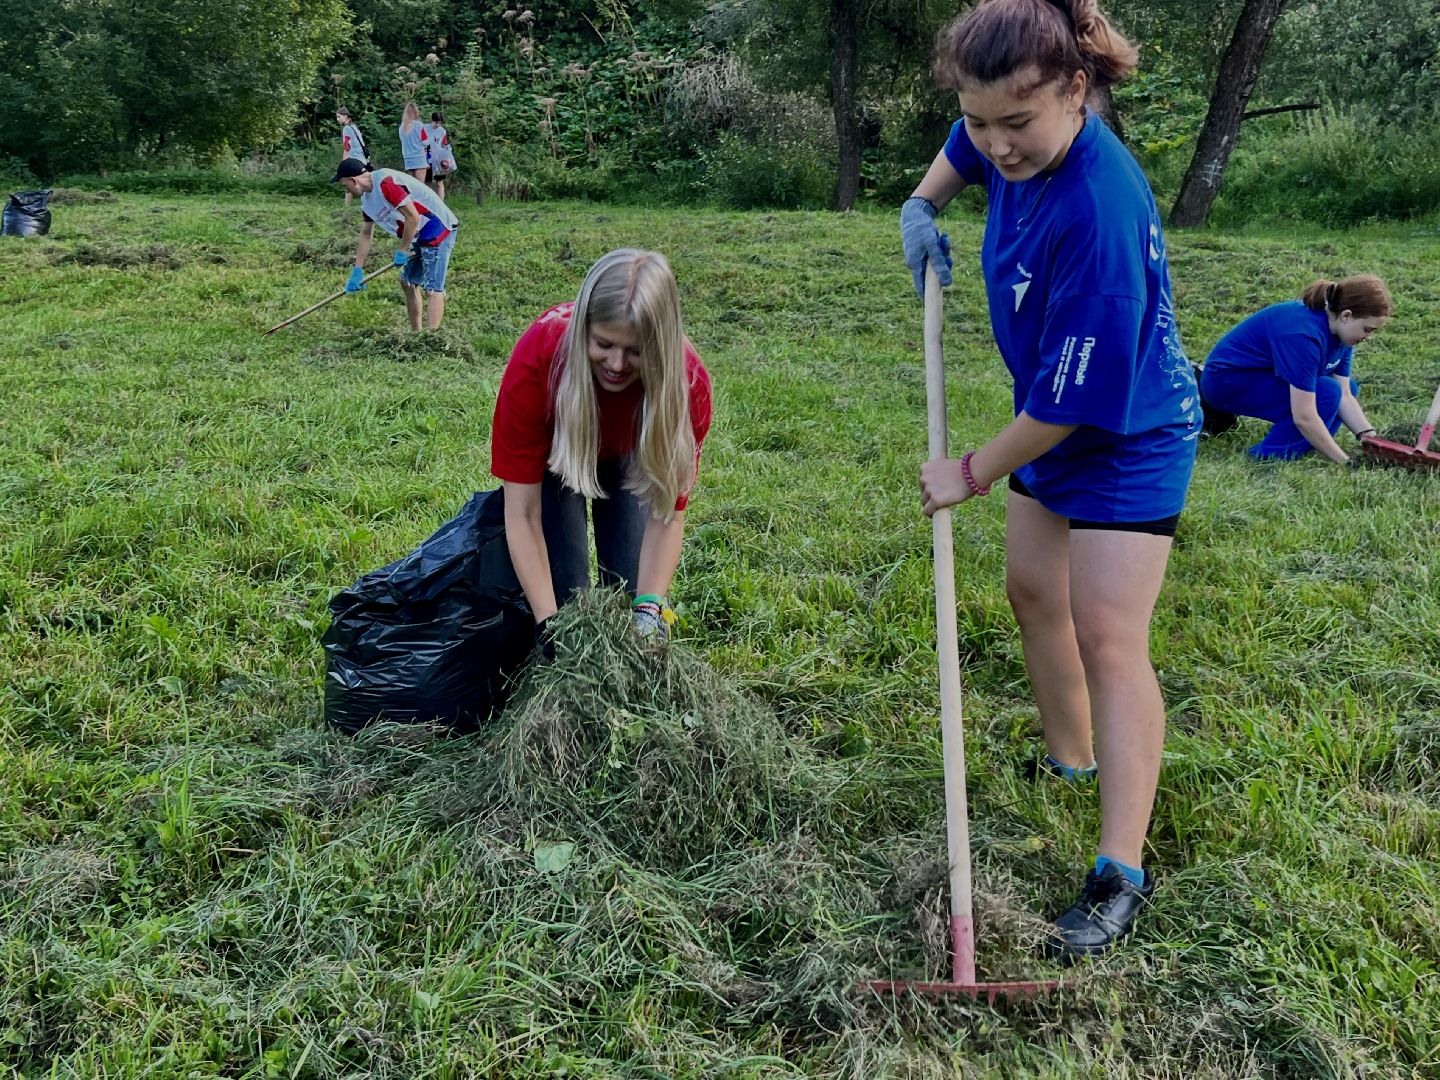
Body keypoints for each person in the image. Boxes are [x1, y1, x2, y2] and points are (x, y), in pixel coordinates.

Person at [902, 0, 1201, 965]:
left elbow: (1070, 412)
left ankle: (1120, 870)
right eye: (980, 120)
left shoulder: (1099, 212)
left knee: (1107, 631)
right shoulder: (1003, 125)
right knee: (1034, 592)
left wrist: (970, 473)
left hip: (1127, 431)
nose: (996, 144)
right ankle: (1070, 761)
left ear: (1078, 91)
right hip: (1053, 411)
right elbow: (961, 143)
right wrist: (924, 201)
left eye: (1014, 125)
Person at [490, 249, 713, 650]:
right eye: (604, 343)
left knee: (630, 595)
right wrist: (548, 623)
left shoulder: (687, 386)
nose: (616, 363)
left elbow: (667, 516)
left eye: (636, 351)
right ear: (583, 330)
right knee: (567, 603)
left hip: (632, 453)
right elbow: (522, 512)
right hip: (560, 455)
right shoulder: (539, 361)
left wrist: (649, 608)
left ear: (661, 346)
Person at [1198, 276, 1390, 463]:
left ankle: (1307, 445)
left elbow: (1346, 395)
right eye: (1368, 329)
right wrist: (1345, 461)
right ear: (1346, 315)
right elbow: (1303, 415)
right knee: (1328, 392)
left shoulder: (1342, 335)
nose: (1368, 337)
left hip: (1261, 376)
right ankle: (1269, 456)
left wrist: (1369, 438)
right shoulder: (1304, 334)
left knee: (1344, 388)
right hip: (1226, 382)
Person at [332, 158, 458, 331]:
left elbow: (412, 217)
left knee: (433, 288)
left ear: (354, 180)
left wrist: (402, 250)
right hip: (419, 235)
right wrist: (357, 270)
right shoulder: (367, 203)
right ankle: (416, 334)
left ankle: (432, 339)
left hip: (438, 227)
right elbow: (366, 234)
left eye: (344, 184)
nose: (346, 190)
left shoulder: (385, 182)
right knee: (407, 282)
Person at [337, 106, 368, 208]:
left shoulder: (346, 129)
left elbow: (347, 147)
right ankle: (364, 205)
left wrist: (344, 164)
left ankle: (347, 208)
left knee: (348, 182)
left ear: (345, 116)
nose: (337, 119)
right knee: (363, 183)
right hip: (362, 159)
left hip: (354, 160)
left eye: (339, 117)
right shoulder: (354, 127)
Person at [398, 103, 431, 184]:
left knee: (411, 185)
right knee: (420, 186)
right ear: (416, 112)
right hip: (419, 157)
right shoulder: (419, 125)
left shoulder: (402, 127)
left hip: (407, 158)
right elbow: (425, 142)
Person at [429, 112, 457, 202]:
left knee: (439, 182)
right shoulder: (424, 129)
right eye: (436, 122)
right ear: (432, 120)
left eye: (440, 123)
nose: (438, 125)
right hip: (427, 159)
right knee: (427, 182)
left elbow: (444, 144)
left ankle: (441, 203)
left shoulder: (442, 131)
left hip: (439, 159)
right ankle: (428, 203)